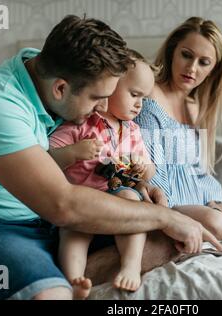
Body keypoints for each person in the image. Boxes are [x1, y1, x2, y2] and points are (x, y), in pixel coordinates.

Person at [0, 15, 222, 300]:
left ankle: (67, 275)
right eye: (97, 99)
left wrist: (136, 186)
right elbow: (63, 204)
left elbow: (95, 175)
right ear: (60, 88)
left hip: (50, 221)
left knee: (170, 240)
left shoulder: (55, 75)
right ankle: (56, 282)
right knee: (48, 293)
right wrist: (165, 215)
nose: (102, 109)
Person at [134, 17, 222, 238]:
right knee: (218, 225)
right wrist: (168, 214)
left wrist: (211, 200)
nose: (191, 68)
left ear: (213, 70)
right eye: (186, 55)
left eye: (204, 62)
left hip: (197, 198)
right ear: (172, 51)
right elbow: (151, 170)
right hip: (167, 201)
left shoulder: (194, 106)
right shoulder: (150, 96)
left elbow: (198, 170)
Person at [48, 51, 156, 298]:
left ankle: (131, 266)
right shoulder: (81, 122)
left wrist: (143, 168)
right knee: (73, 230)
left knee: (132, 203)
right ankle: (74, 278)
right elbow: (47, 159)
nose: (140, 104)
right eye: (134, 94)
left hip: (117, 199)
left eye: (144, 97)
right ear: (111, 86)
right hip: (83, 200)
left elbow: (150, 172)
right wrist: (73, 152)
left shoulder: (132, 131)